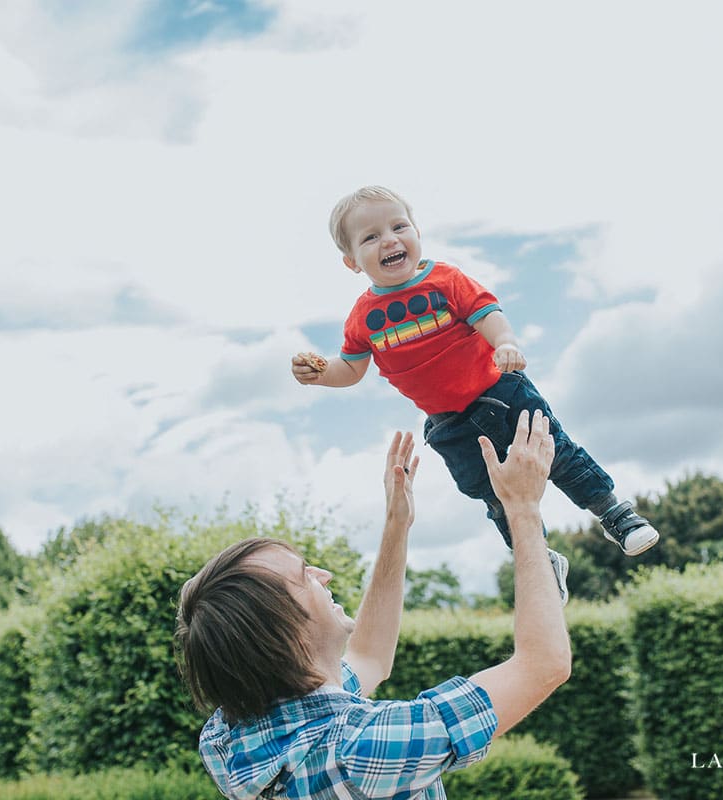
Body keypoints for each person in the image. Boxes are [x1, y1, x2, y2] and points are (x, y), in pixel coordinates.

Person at [291, 186, 660, 602]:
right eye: (371, 237)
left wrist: (505, 342)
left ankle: (616, 515)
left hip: (501, 390)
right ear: (352, 262)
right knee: (493, 494)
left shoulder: (445, 279)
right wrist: (321, 375)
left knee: (555, 454)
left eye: (399, 226)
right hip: (449, 422)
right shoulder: (362, 317)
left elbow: (488, 313)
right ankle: (537, 558)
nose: (390, 240)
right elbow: (350, 369)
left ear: (416, 231)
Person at [176, 411, 571, 799]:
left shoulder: (227, 739)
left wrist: (396, 526)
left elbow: (369, 658)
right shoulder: (359, 752)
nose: (323, 575)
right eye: (303, 576)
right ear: (283, 632)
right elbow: (541, 665)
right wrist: (523, 508)